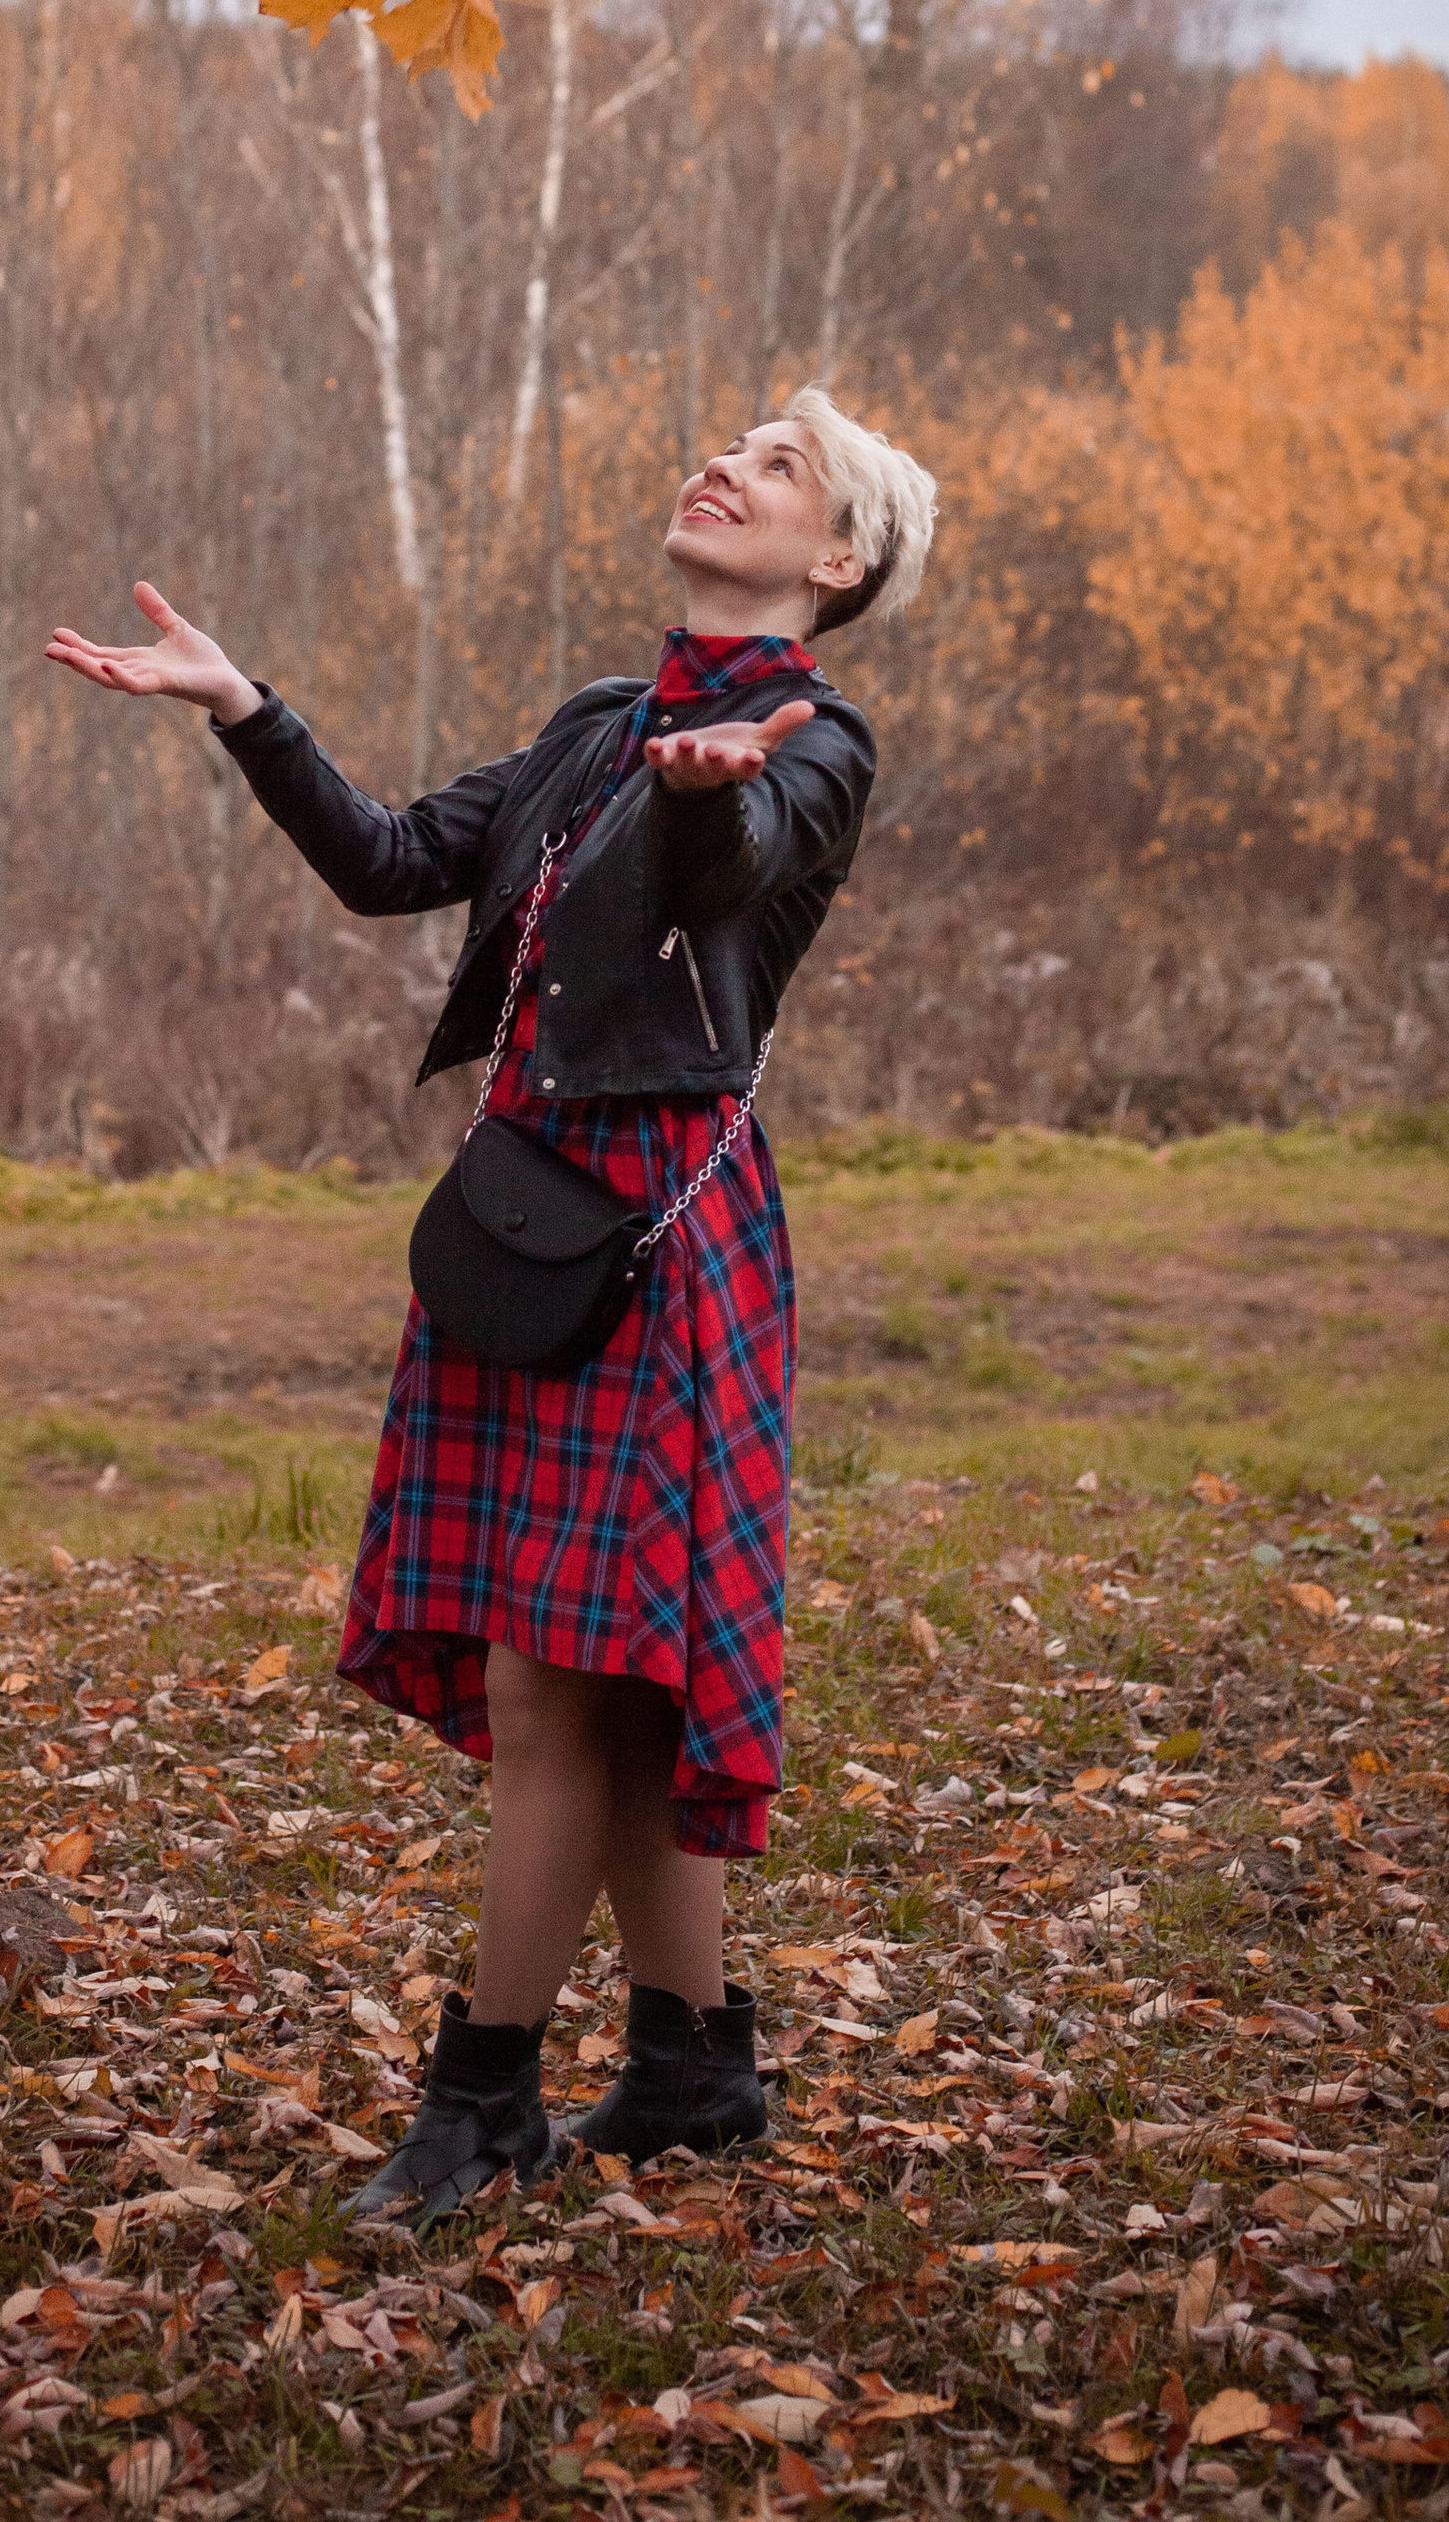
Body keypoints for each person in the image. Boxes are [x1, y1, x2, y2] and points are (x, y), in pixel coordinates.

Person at [46, 386, 935, 2220]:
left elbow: (740, 868)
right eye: (739, 440)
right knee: (602, 1693)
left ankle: (485, 2104)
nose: (731, 462)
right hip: (526, 1216)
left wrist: (715, 804)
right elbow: (386, 861)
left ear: (834, 561)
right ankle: (692, 2064)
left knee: (558, 1693)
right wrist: (243, 711)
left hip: (656, 1238)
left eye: (782, 467)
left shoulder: (811, 742)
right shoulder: (598, 728)